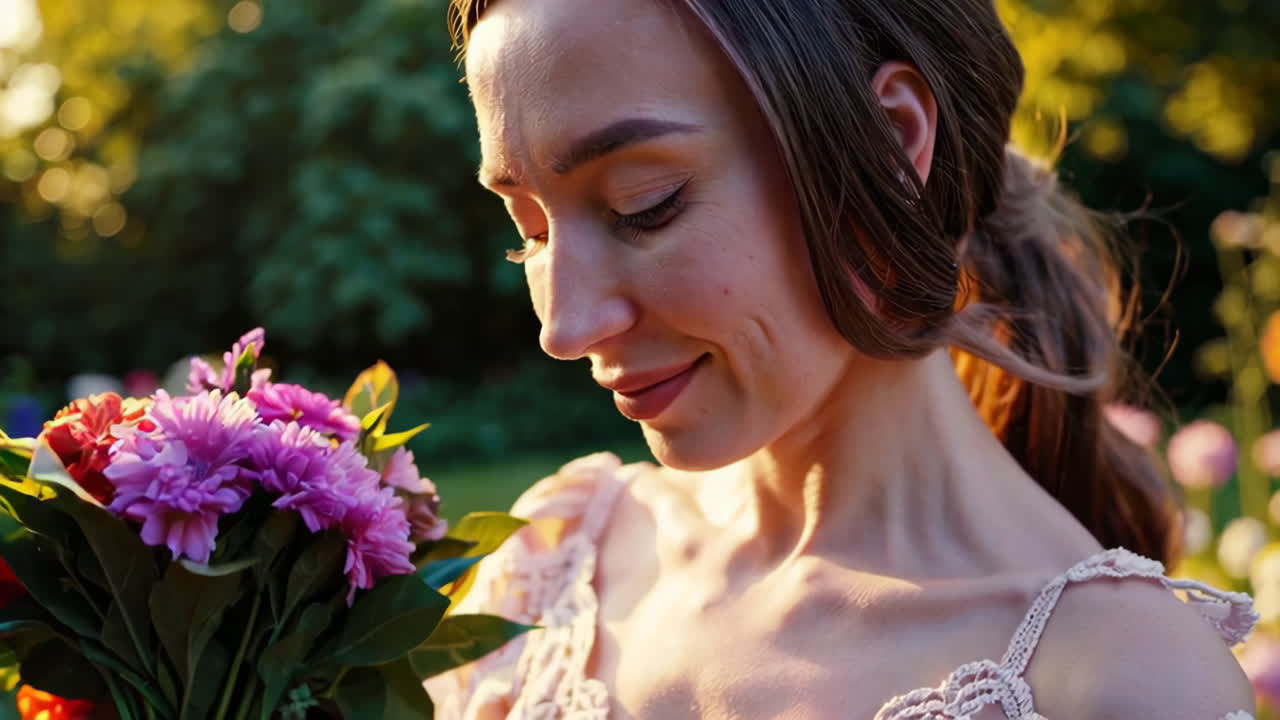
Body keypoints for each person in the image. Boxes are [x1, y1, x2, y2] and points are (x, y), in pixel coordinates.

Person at [427, 0, 1259, 717]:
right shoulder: (556, 559)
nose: (565, 326)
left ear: (890, 144)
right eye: (530, 229)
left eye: (643, 205)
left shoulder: (1125, 685)